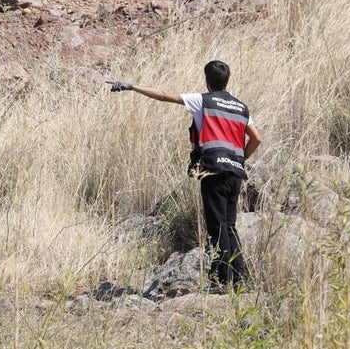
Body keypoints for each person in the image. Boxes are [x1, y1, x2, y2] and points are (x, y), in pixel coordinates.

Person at [109, 60, 260, 293]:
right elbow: (256, 138)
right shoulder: (241, 107)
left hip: (213, 170)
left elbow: (163, 96)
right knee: (229, 226)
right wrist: (240, 160)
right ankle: (240, 280)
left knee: (217, 226)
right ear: (227, 80)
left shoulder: (203, 101)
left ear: (207, 81)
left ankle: (221, 281)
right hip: (235, 173)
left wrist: (132, 87)